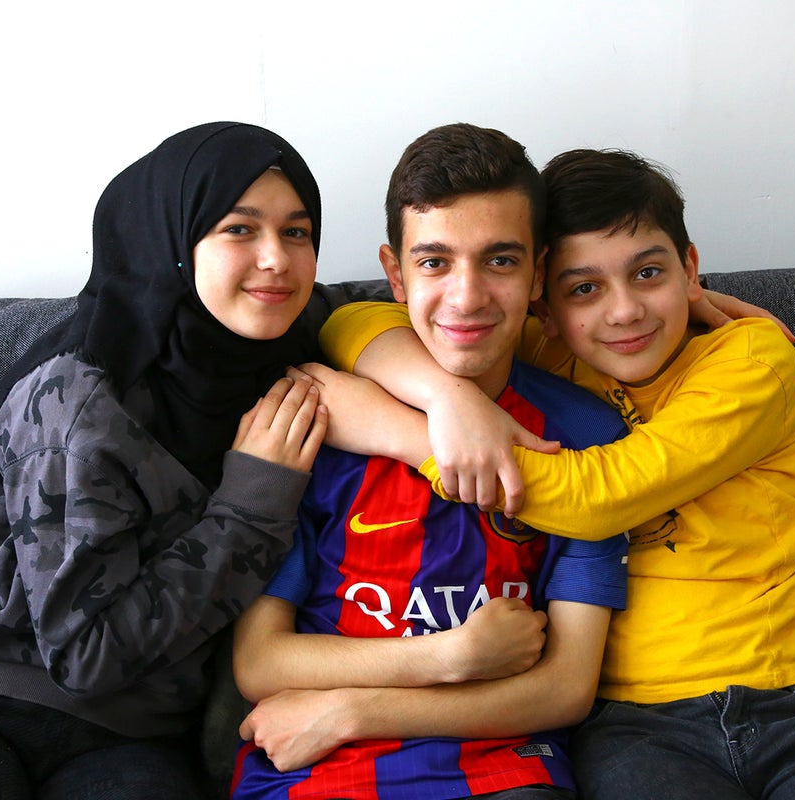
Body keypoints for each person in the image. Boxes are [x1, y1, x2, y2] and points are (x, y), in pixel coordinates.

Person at [316, 147, 795, 798]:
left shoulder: (752, 359)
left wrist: (420, 440)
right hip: (634, 723)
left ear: (690, 267)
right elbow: (350, 318)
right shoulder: (549, 349)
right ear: (544, 302)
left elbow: (599, 498)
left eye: (648, 274)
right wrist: (449, 400)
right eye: (585, 287)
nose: (623, 312)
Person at [0, 122, 333, 800]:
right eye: (239, 230)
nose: (276, 257)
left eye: (297, 232)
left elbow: (382, 331)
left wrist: (456, 412)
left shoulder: (286, 364)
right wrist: (250, 507)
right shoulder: (77, 395)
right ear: (172, 243)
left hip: (135, 732)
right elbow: (85, 655)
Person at [229, 123, 629, 800]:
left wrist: (357, 708)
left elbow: (565, 688)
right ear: (395, 273)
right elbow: (259, 661)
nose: (467, 297)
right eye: (435, 263)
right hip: (310, 769)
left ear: (538, 272)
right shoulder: (315, 417)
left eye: (500, 261)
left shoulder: (585, 430)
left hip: (501, 770)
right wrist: (451, 657)